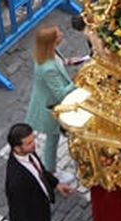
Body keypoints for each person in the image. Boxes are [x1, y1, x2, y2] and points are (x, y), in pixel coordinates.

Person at [27, 20, 81, 181]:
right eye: (58, 35)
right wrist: (77, 82)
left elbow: (59, 64)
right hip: (50, 108)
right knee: (52, 140)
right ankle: (50, 172)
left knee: (53, 138)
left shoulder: (48, 54)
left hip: (47, 102)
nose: (62, 35)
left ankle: (50, 169)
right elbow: (61, 93)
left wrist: (69, 62)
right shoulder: (48, 68)